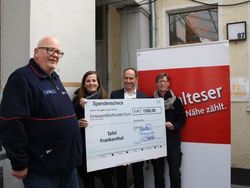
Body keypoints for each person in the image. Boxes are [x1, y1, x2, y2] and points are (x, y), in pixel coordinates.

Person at [0, 36, 82, 188]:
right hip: (42, 169)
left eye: (59, 52)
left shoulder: (54, 78)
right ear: (36, 52)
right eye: (50, 49)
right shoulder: (21, 78)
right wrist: (19, 163)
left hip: (67, 165)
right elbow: (12, 124)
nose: (56, 54)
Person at [72, 71, 114, 188]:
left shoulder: (106, 99)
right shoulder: (76, 101)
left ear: (98, 83)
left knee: (107, 180)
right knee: (88, 181)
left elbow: (112, 122)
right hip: (85, 149)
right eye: (88, 81)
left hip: (103, 147)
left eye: (94, 80)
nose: (91, 83)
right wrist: (78, 123)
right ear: (84, 84)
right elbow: (70, 123)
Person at [110, 67, 147, 188]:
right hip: (121, 142)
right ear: (123, 79)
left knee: (138, 173)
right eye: (126, 78)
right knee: (120, 174)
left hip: (138, 142)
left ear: (136, 79)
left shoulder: (144, 97)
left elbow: (148, 122)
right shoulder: (115, 95)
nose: (128, 80)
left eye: (131, 78)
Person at [151, 73, 186, 188]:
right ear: (156, 83)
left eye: (164, 81)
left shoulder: (176, 101)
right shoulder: (150, 101)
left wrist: (173, 125)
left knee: (175, 174)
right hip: (156, 143)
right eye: (160, 81)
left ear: (168, 83)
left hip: (172, 142)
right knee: (158, 174)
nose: (162, 83)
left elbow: (182, 119)